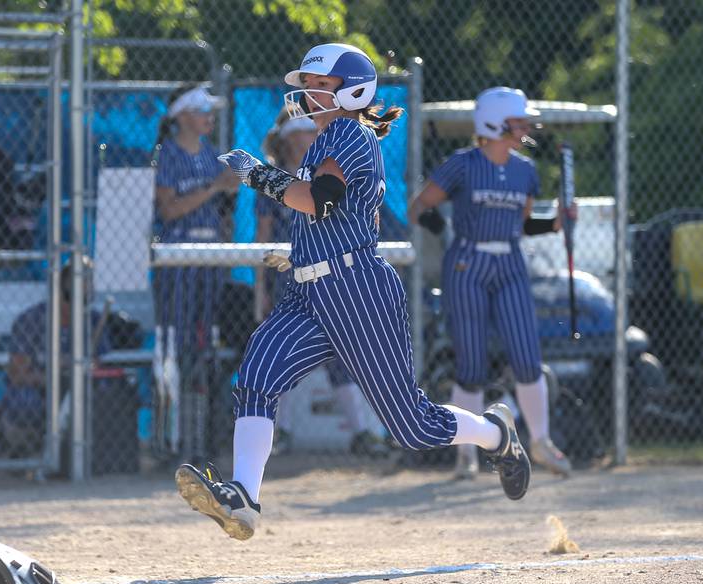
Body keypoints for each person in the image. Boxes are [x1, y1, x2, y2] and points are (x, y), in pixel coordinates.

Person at [175, 43, 531, 541]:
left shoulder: (349, 134)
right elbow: (326, 217)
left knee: (412, 426)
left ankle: (496, 434)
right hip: (310, 289)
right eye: (310, 87)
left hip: (355, 288)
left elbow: (318, 201)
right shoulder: (326, 137)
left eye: (322, 86)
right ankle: (244, 497)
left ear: (353, 91)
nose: (310, 95)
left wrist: (258, 174)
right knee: (256, 374)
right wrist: (300, 255)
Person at [408, 86, 574, 479]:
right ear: (494, 121)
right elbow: (419, 207)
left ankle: (541, 441)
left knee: (526, 354)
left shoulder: (525, 170)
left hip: (510, 262)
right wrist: (445, 231)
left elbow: (523, 223)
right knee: (471, 363)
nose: (525, 126)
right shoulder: (463, 164)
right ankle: (465, 455)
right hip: (468, 261)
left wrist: (556, 222)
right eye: (517, 120)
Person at [255, 107, 390, 457]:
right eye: (300, 133)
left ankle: (362, 432)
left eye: (310, 133)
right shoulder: (274, 181)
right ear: (286, 141)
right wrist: (260, 293)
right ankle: (277, 433)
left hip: (331, 276)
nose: (308, 138)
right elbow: (262, 239)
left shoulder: (330, 175)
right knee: (282, 354)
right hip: (286, 278)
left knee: (341, 352)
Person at [152, 84, 239, 464]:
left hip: (208, 261)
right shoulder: (167, 154)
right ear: (182, 115)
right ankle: (171, 442)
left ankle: (203, 440)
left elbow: (220, 210)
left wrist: (227, 199)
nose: (209, 117)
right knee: (175, 349)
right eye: (202, 110)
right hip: (178, 261)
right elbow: (169, 210)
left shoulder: (210, 155)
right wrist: (214, 187)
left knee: (208, 348)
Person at [1, 258, 109, 456]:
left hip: (78, 390)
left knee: (103, 392)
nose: (83, 304)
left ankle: (84, 453)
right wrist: (55, 377)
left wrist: (78, 373)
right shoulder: (31, 320)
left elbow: (99, 367)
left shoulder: (93, 320)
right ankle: (28, 450)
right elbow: (17, 376)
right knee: (24, 401)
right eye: (77, 297)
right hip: (41, 389)